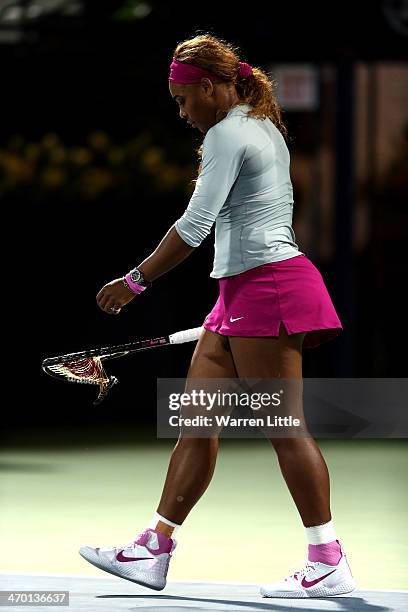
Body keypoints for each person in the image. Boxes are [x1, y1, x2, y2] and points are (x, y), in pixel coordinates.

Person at [79, 34, 356, 599]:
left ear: (208, 85)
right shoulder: (260, 126)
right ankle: (155, 547)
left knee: (284, 428)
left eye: (184, 101)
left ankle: (327, 560)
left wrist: (134, 282)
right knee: (196, 424)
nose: (182, 113)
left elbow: (194, 224)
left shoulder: (229, 132)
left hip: (268, 288)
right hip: (242, 291)